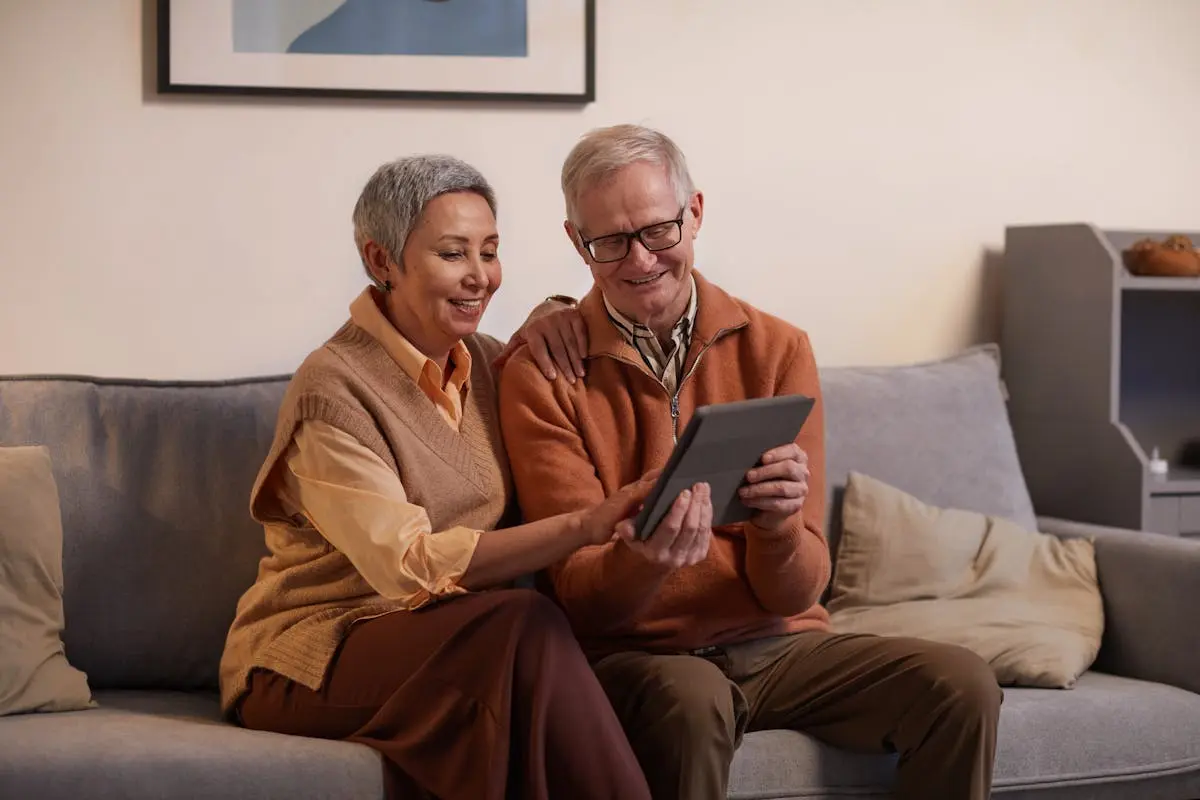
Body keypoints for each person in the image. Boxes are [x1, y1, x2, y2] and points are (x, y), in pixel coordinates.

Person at [497, 124, 1004, 800]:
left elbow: (800, 593)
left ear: (695, 213)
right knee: (692, 698)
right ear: (575, 242)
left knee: (962, 684)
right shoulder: (542, 373)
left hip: (779, 647)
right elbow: (583, 600)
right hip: (635, 659)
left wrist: (779, 527)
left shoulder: (778, 349)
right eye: (609, 242)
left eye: (658, 232)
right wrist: (645, 558)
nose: (640, 260)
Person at [217, 154, 657, 800]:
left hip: (462, 640)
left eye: (490, 251)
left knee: (519, 659)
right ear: (380, 261)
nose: (480, 277)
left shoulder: (482, 361)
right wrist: (587, 525)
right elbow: (410, 565)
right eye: (453, 254)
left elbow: (553, 335)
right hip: (312, 654)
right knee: (523, 628)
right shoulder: (333, 390)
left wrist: (564, 312)